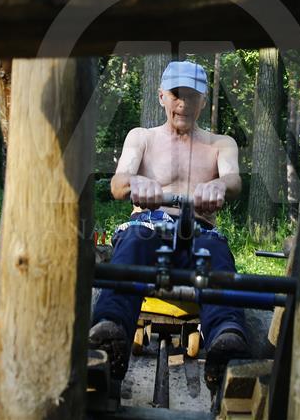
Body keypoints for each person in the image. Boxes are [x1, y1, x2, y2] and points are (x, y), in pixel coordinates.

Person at [89, 60, 249, 389]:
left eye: (192, 96)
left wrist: (218, 186)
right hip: (148, 226)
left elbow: (233, 180)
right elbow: (118, 183)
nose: (183, 103)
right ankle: (110, 329)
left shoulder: (221, 143)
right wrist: (136, 184)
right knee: (134, 242)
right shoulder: (142, 138)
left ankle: (226, 338)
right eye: (176, 94)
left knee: (215, 254)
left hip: (199, 230)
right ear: (161, 96)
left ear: (203, 101)